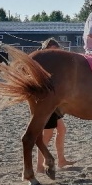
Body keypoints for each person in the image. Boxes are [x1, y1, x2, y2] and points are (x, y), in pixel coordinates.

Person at [36, 38, 75, 173]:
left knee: (61, 130)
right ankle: (40, 166)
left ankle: (61, 160)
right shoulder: (42, 64)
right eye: (53, 50)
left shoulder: (53, 65)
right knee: (47, 135)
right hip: (47, 103)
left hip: (55, 104)